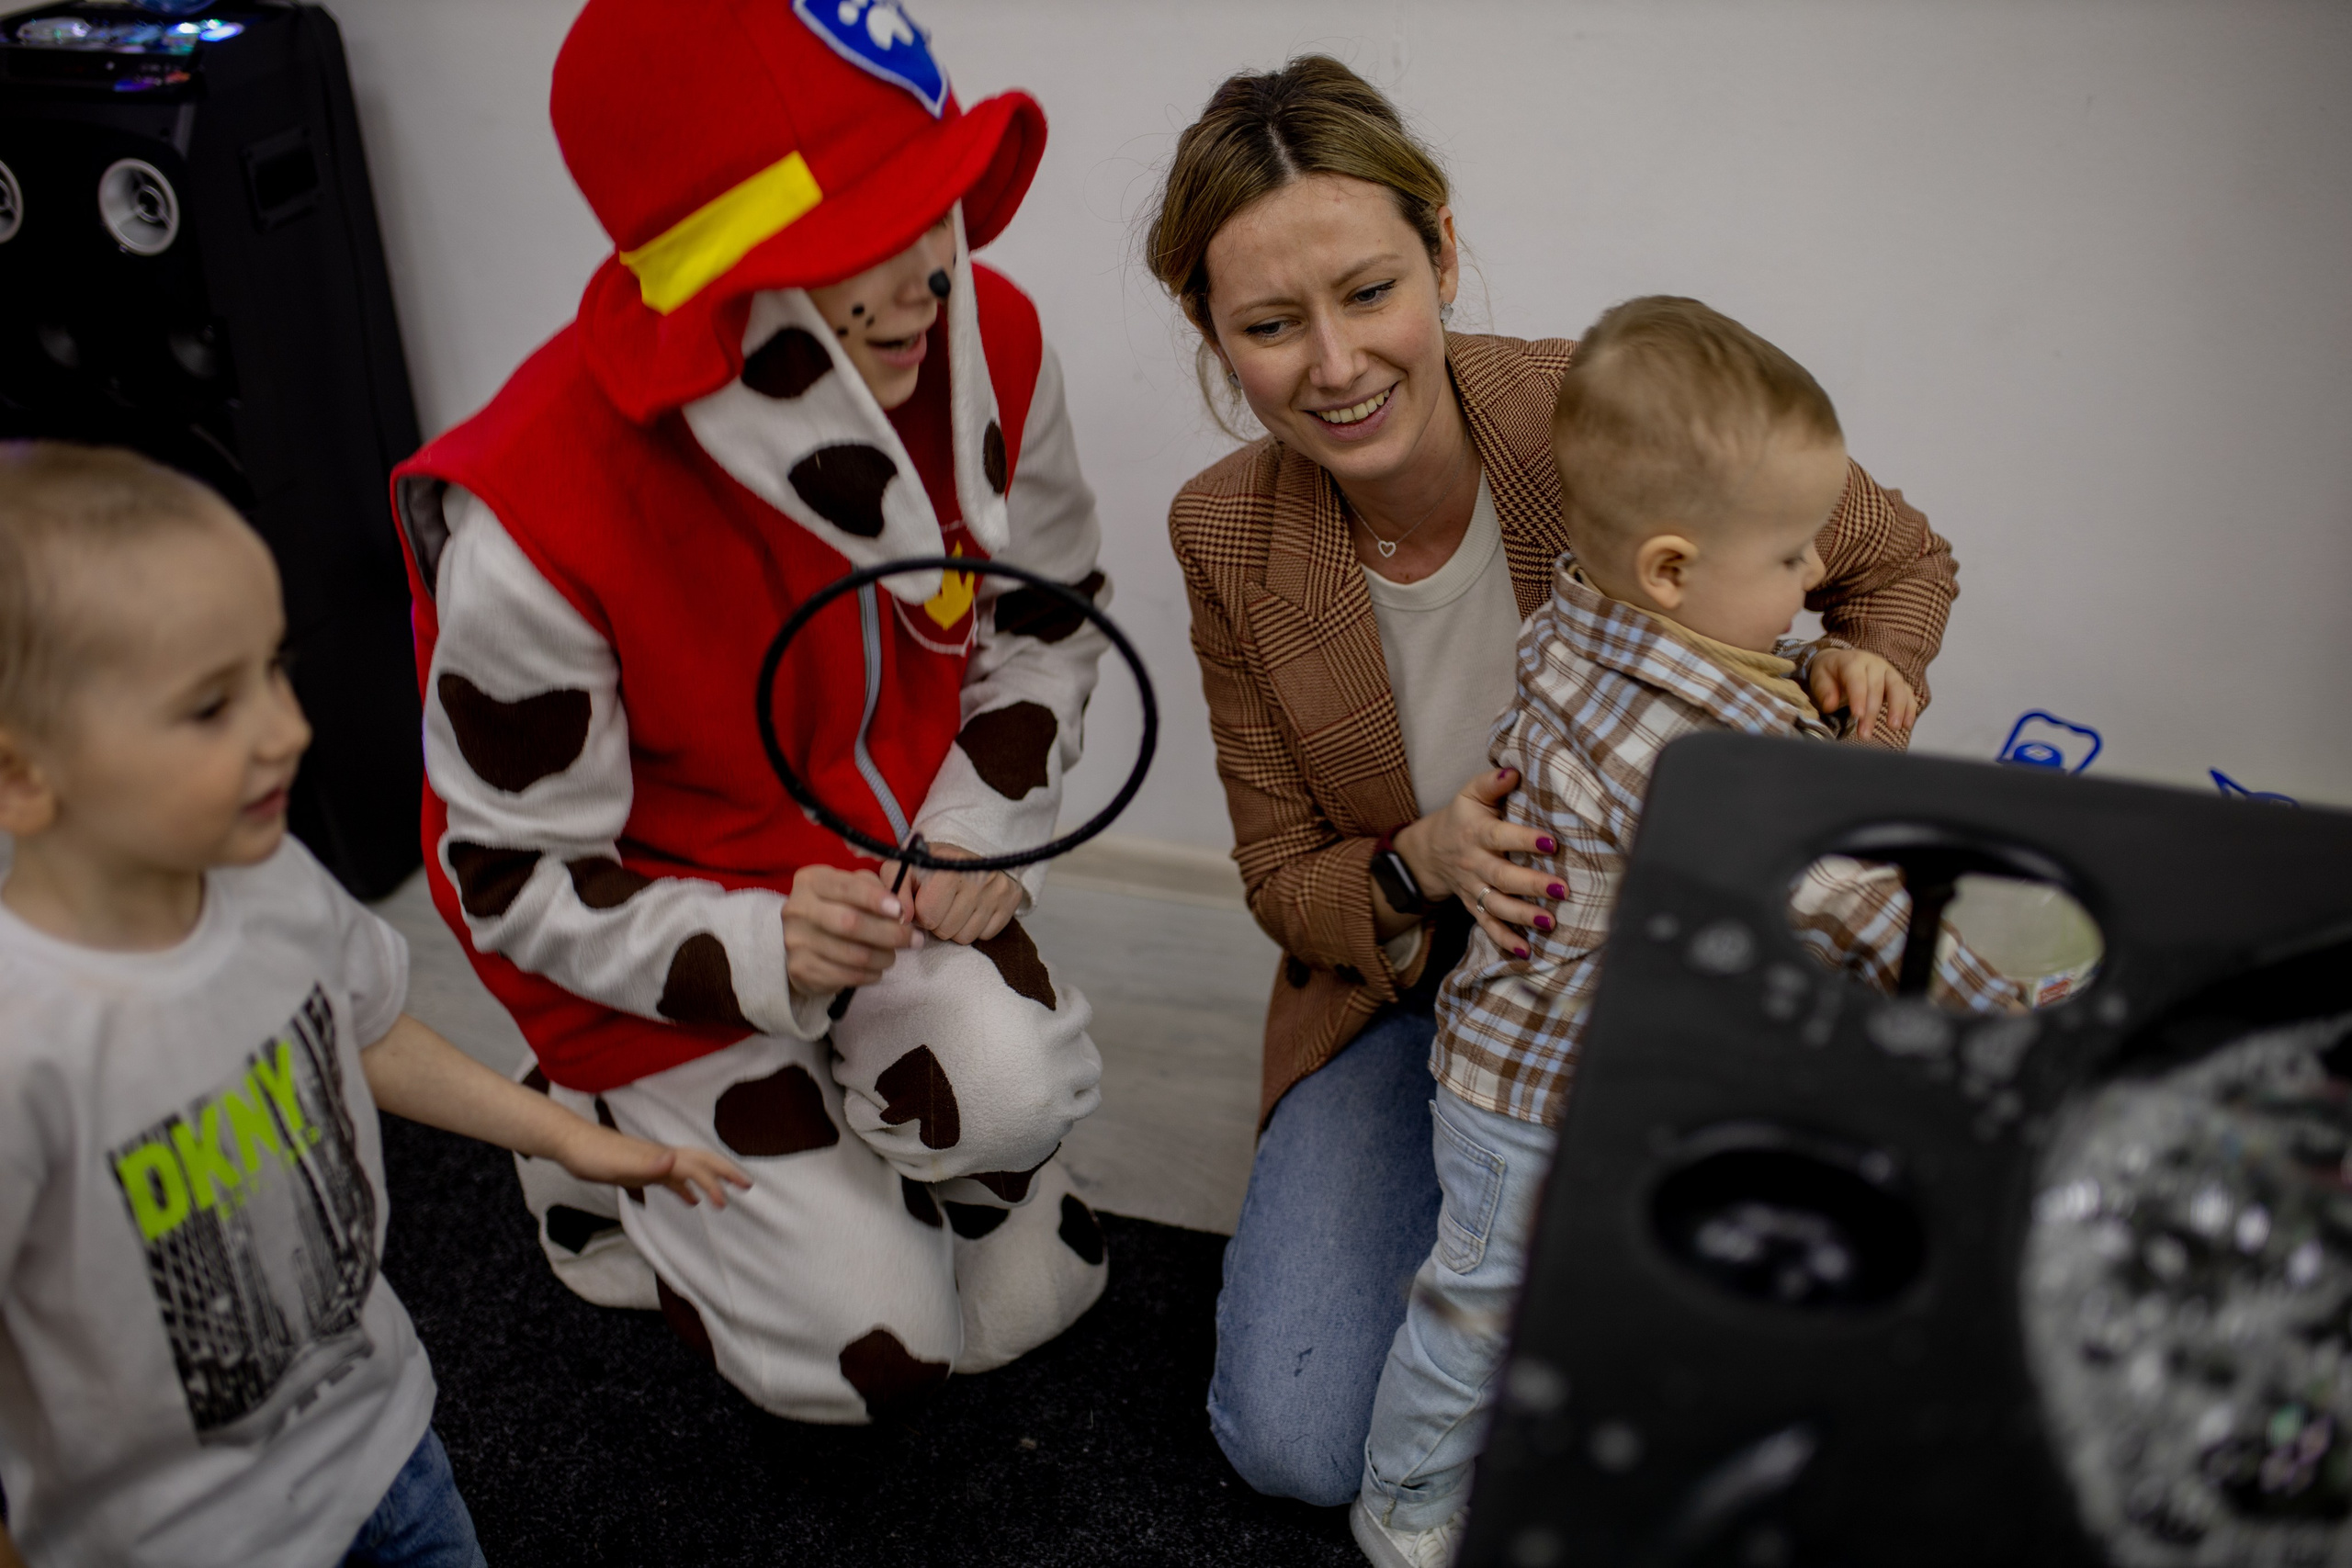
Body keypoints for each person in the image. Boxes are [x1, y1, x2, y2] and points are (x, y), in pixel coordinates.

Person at [1147, 56, 1965, 1509]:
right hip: (1430, 1018)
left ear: (1444, 251)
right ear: (1213, 330)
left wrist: (1858, 682)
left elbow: (1895, 562)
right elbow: (1285, 877)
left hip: (1678, 985)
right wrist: (1417, 858)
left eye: (1369, 291)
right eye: (1271, 324)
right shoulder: (1224, 534)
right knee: (1295, 1440)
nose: (1334, 365)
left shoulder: (1607, 413)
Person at [385, 0, 1114, 1423]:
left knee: (1020, 1186)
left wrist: (976, 829)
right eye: (860, 239)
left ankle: (877, 1114)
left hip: (894, 882)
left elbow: (1046, 622)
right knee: (876, 1355)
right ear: (730, 281)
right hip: (653, 951)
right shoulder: (540, 512)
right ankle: (587, 1141)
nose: (928, 278)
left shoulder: (992, 339)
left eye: (934, 204)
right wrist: (754, 943)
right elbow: (509, 876)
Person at [1348, 297, 2020, 1566]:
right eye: (1787, 560)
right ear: (1670, 567)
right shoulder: (1686, 749)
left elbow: (1742, 662)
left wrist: (1822, 659)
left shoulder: (1583, 614)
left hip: (1591, 1065)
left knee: (1601, 1282)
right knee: (1475, 1307)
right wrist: (2019, 1013)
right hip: (1523, 1098)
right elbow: (1865, 901)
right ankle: (1402, 1497)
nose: (1816, 575)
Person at [0, 444, 745, 1568]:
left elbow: (372, 1027)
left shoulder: (280, 888)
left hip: (386, 1444)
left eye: (274, 669)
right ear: (21, 776)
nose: (286, 729)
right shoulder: (25, 1038)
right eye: (210, 706)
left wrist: (566, 1139)